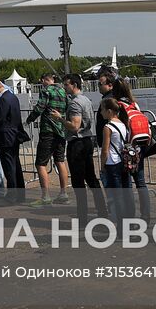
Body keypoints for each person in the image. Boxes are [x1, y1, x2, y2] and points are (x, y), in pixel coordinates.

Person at [63, 74, 109, 224]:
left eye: (66, 85)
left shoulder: (75, 103)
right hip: (87, 140)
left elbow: (75, 126)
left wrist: (60, 119)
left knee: (78, 181)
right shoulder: (86, 100)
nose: (65, 87)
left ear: (74, 85)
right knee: (91, 178)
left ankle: (82, 217)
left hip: (78, 144)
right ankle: (101, 211)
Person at [25, 73, 69, 206]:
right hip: (61, 130)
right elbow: (67, 107)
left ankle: (45, 196)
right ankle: (63, 193)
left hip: (48, 130)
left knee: (41, 163)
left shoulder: (46, 90)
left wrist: (29, 119)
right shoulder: (63, 91)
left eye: (42, 81)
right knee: (60, 161)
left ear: (45, 80)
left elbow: (40, 107)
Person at [112, 79, 153, 221]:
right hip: (139, 147)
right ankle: (146, 214)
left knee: (126, 182)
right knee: (141, 182)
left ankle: (129, 214)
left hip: (125, 148)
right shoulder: (133, 104)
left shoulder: (117, 106)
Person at [0, 74, 24, 203]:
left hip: (5, 135)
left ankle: (12, 194)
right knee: (16, 164)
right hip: (14, 134)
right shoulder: (13, 97)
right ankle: (20, 193)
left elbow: (0, 118)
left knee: (9, 165)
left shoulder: (3, 99)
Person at [98, 98, 131, 218]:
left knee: (117, 196)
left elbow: (105, 150)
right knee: (126, 193)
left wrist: (102, 166)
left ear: (109, 111)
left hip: (112, 163)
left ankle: (121, 226)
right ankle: (129, 221)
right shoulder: (123, 124)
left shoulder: (108, 127)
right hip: (123, 161)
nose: (101, 112)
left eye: (102, 109)